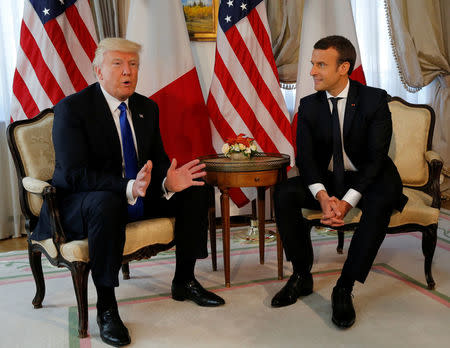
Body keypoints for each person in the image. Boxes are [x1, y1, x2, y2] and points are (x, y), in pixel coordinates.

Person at [32, 37, 224, 346]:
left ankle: (185, 280)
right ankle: (106, 306)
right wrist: (127, 187)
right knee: (106, 203)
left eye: (133, 65)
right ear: (99, 71)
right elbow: (74, 175)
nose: (128, 72)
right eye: (118, 64)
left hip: (133, 193)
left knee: (195, 191)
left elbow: (157, 162)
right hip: (81, 202)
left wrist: (166, 183)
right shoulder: (72, 109)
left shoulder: (147, 107)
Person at [271, 35, 407, 328]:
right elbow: (305, 159)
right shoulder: (308, 105)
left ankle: (344, 287)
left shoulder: (373, 100)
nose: (312, 72)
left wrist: (347, 202)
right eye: (312, 64)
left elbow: (376, 159)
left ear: (344, 67)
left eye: (321, 64)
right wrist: (322, 196)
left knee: (381, 199)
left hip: (370, 177)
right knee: (283, 193)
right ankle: (301, 275)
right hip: (331, 179)